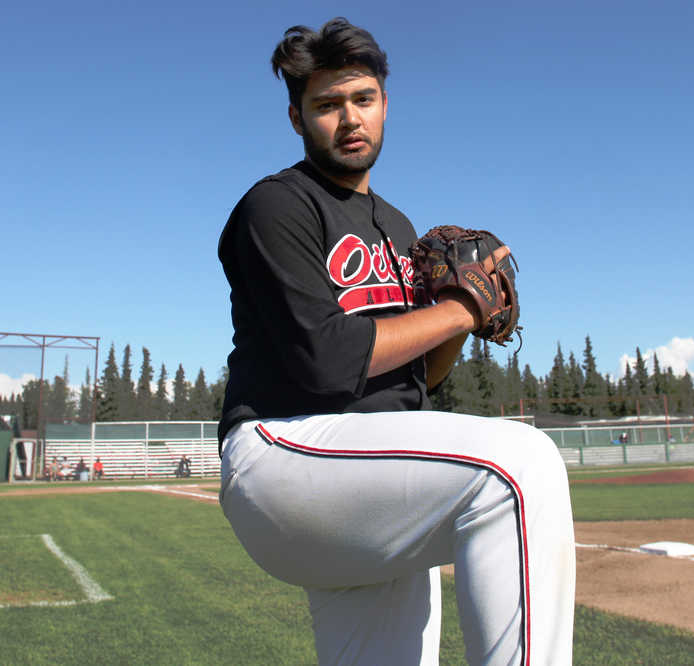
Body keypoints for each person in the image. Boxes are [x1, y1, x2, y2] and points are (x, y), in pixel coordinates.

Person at [215, 18, 575, 665]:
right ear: (298, 119)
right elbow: (327, 362)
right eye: (327, 104)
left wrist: (454, 318)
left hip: (371, 475)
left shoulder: (398, 225)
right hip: (286, 451)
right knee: (520, 468)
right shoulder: (277, 206)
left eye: (363, 99)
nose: (349, 118)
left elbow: (422, 379)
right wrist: (463, 308)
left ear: (385, 104)